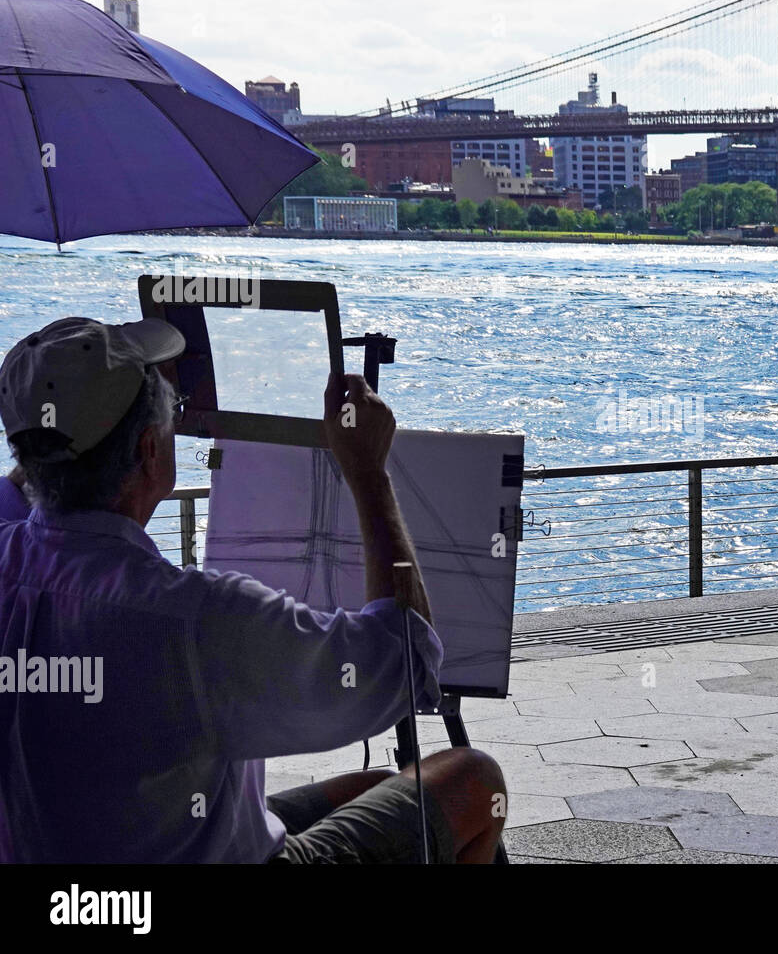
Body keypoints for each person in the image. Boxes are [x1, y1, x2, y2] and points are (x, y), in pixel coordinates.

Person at [0, 316, 505, 863]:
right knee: (473, 779)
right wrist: (366, 469)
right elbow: (402, 661)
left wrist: (90, 405)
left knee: (378, 783)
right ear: (150, 450)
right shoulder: (195, 620)